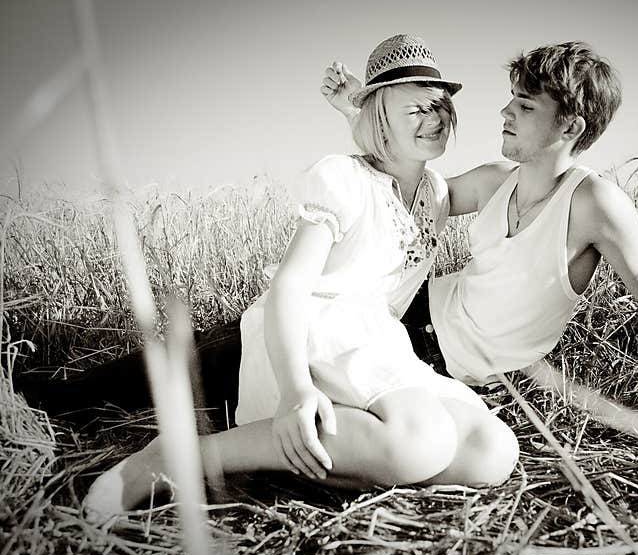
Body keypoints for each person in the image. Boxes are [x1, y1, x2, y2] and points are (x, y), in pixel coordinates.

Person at [80, 34, 519, 523]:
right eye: (415, 109)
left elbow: (513, 177)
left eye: (439, 105)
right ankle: (182, 456)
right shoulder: (343, 179)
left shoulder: (436, 193)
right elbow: (290, 285)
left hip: (379, 340)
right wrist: (292, 390)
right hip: (320, 332)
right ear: (380, 118)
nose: (435, 117)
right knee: (421, 444)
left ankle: (327, 455)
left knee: (493, 451)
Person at [321, 41, 638, 392]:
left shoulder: (593, 204)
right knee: (291, 350)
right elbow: (404, 188)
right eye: (511, 102)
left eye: (524, 107)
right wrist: (364, 110)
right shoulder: (495, 181)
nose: (505, 113)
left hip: (442, 368)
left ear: (571, 128)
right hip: (409, 317)